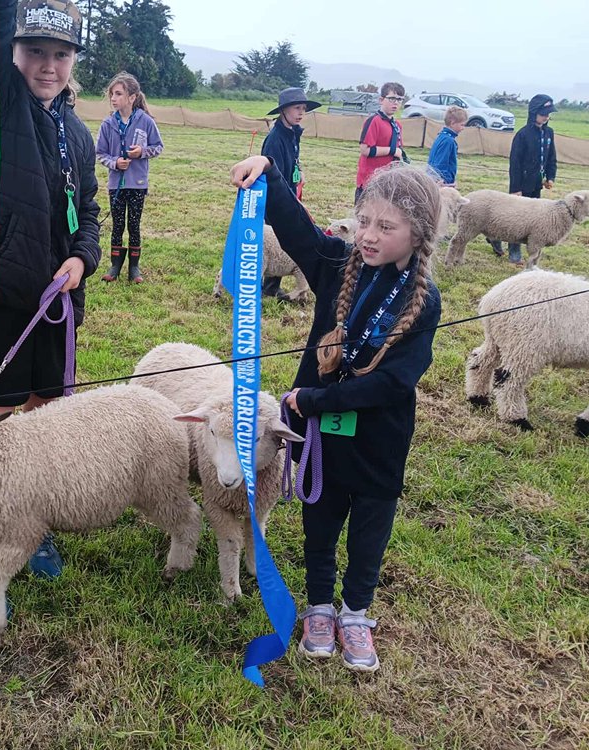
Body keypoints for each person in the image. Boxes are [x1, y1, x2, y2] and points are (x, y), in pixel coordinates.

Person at [230, 155, 442, 673]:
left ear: (417, 235)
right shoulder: (337, 265)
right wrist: (269, 172)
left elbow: (394, 383)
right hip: (322, 440)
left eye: (386, 227)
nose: (367, 235)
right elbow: (297, 230)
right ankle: (320, 607)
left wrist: (315, 400)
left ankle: (355, 613)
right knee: (319, 525)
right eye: (364, 220)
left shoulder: (424, 301)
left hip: (378, 444)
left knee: (369, 533)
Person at [0, 0, 101, 622]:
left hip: (58, 303)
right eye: (34, 51)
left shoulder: (78, 132)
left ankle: (28, 525)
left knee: (44, 418)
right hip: (5, 299)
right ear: (13, 55)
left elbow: (89, 210)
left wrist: (82, 259)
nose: (47, 66)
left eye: (60, 55)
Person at [95, 71, 163, 283]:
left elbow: (158, 147)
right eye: (112, 94)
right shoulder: (107, 124)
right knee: (117, 225)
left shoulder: (146, 122)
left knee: (134, 226)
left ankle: (134, 268)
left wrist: (141, 152)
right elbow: (100, 153)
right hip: (116, 185)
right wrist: (115, 162)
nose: (113, 98)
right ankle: (115, 266)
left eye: (118, 94)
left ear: (132, 97)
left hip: (137, 185)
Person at [260, 86, 321, 298]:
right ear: (283, 110)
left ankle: (271, 287)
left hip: (289, 195)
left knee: (283, 238)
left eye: (303, 108)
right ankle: (263, 287)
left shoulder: (293, 133)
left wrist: (299, 170)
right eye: (297, 108)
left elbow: (293, 161)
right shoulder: (275, 139)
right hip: (276, 198)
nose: (301, 113)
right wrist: (290, 200)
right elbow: (273, 174)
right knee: (273, 242)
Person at [498, 94, 558, 265]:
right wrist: (515, 188)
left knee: (531, 218)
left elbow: (551, 158)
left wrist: (550, 177)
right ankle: (514, 251)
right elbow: (515, 164)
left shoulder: (549, 133)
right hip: (521, 185)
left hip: (536, 185)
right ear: (534, 113)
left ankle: (495, 238)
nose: (546, 117)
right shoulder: (522, 134)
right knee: (517, 219)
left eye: (548, 114)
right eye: (543, 113)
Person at [356, 82, 407, 203]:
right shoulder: (374, 121)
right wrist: (392, 150)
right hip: (370, 181)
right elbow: (365, 149)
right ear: (381, 100)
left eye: (399, 100)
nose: (395, 103)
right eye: (392, 99)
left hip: (388, 181)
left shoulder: (397, 125)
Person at [427, 105, 467, 187]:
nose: (463, 128)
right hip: (441, 182)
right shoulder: (448, 141)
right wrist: (445, 182)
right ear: (452, 123)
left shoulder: (442, 136)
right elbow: (441, 163)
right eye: (462, 125)